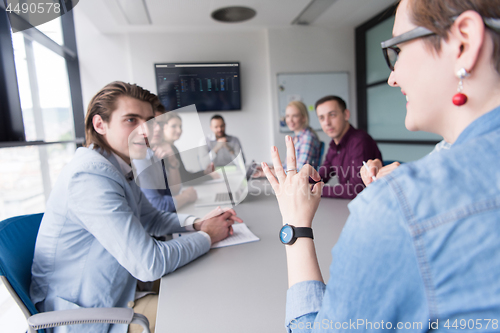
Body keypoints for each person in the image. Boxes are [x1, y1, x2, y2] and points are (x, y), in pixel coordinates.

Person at [261, 1, 500, 332]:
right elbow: (329, 173)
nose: (392, 76)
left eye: (397, 50)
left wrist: (295, 222)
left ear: (464, 41)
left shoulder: (397, 195)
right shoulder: (430, 166)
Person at [30, 81, 242, 333]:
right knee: (204, 311)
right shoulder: (89, 177)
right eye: (131, 120)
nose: (146, 131)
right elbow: (149, 263)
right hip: (86, 318)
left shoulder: (118, 166)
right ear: (100, 125)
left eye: (150, 121)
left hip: (119, 291)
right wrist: (207, 236)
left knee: (207, 281)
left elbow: (151, 218)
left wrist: (197, 224)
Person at [314, 95, 382, 199]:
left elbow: (356, 189)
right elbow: (321, 176)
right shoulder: (334, 145)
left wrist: (312, 189)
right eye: (322, 118)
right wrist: (299, 182)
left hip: (370, 205)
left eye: (332, 115)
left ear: (346, 114)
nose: (327, 123)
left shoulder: (359, 141)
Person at [137, 105, 200, 212]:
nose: (157, 128)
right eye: (152, 122)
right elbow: (158, 206)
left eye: (161, 124)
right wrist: (186, 196)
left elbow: (173, 191)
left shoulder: (157, 153)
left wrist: (173, 162)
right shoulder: (140, 157)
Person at [285, 101, 322, 170]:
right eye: (287, 116)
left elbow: (300, 170)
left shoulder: (307, 138)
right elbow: (287, 165)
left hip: (304, 180)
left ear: (303, 118)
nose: (290, 120)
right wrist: (269, 169)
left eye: (295, 116)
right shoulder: (294, 137)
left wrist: (273, 173)